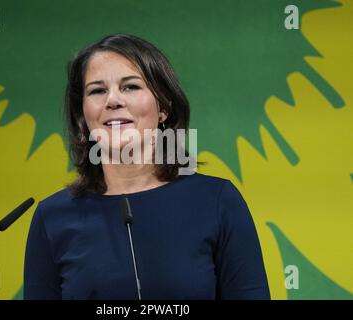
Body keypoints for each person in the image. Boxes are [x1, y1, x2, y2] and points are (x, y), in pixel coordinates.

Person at [23, 33, 270, 300]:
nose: (113, 100)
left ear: (163, 106)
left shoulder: (218, 202)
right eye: (97, 90)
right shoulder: (52, 217)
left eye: (130, 87)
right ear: (82, 116)